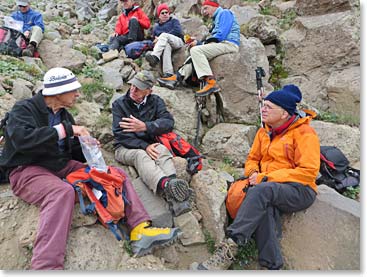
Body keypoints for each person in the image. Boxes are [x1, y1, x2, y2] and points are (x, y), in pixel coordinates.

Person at [0, 67, 180, 269]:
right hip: (27, 169)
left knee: (114, 174)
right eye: (73, 90)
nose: (78, 94)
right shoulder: (24, 109)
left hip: (59, 165)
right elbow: (22, 140)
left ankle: (140, 229)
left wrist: (86, 146)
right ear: (58, 92)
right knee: (61, 193)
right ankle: (45, 266)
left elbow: (68, 149)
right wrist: (67, 130)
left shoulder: (65, 116)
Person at [190, 84, 320, 270]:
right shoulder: (264, 131)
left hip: (300, 189)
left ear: (284, 113)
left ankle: (230, 248)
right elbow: (252, 159)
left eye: (269, 107)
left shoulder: (305, 133)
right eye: (263, 105)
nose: (263, 109)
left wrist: (265, 178)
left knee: (262, 191)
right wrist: (253, 174)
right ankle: (272, 266)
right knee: (263, 207)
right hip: (268, 188)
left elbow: (308, 172)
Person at [112, 70, 192, 217]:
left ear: (149, 91)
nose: (133, 90)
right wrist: (145, 146)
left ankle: (175, 193)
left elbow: (168, 122)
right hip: (125, 147)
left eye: (139, 88)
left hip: (151, 143)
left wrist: (146, 127)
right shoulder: (119, 104)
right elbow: (120, 135)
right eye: (133, 85)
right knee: (141, 155)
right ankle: (167, 186)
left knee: (162, 150)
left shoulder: (156, 101)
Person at [157, 0, 240, 97]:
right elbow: (213, 38)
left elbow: (220, 35)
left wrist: (200, 43)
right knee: (195, 54)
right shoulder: (216, 18)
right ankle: (177, 78)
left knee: (196, 50)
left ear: (214, 6)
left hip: (229, 44)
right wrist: (197, 41)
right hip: (222, 44)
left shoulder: (224, 13)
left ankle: (211, 82)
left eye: (206, 8)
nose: (204, 12)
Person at [145, 3, 185, 78]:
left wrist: (161, 37)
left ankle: (155, 57)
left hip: (177, 41)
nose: (165, 14)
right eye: (162, 13)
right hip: (166, 44)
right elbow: (154, 40)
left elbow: (178, 31)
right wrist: (156, 40)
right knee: (166, 45)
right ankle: (168, 73)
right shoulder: (156, 28)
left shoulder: (174, 21)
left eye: (166, 12)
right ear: (159, 16)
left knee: (163, 35)